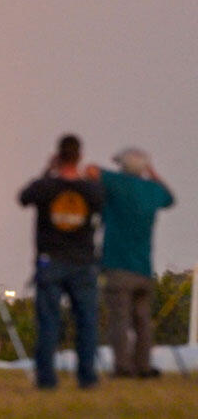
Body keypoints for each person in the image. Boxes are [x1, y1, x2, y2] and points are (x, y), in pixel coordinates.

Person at [19, 134, 103, 389]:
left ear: (58, 156)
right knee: (87, 322)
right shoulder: (91, 189)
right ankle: (87, 378)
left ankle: (46, 379)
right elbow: (102, 202)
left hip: (50, 261)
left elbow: (24, 197)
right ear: (79, 156)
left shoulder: (46, 187)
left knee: (48, 323)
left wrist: (47, 172)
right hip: (83, 262)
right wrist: (92, 178)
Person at [86, 148, 173, 378]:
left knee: (120, 320)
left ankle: (123, 367)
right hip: (144, 267)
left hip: (117, 265)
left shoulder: (117, 183)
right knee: (143, 321)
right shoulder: (152, 190)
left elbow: (91, 171)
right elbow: (170, 198)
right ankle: (143, 366)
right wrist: (152, 173)